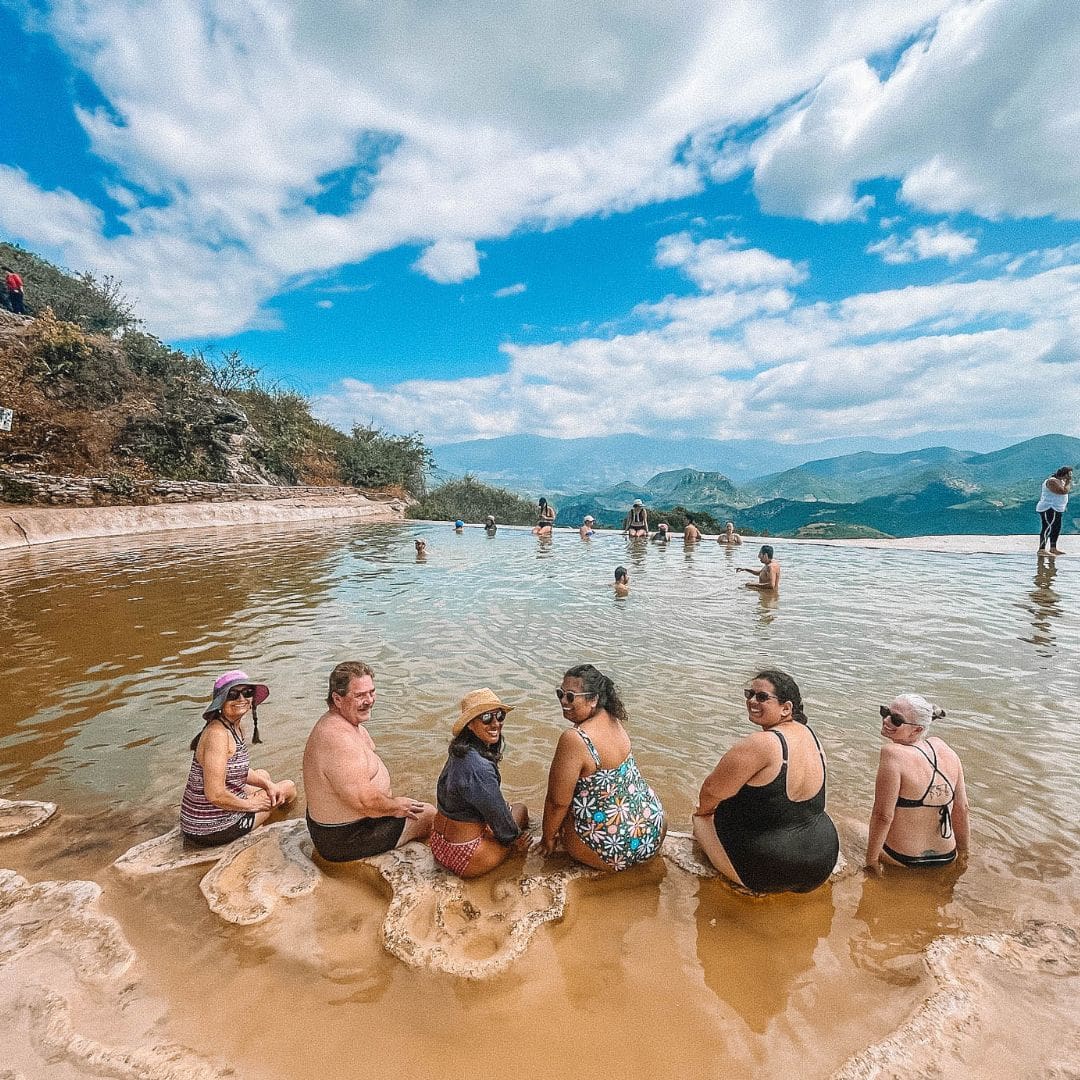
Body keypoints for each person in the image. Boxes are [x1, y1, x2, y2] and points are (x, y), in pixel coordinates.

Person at [692, 670, 838, 894]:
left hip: (770, 872)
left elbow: (711, 791)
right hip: (821, 863)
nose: (752, 701)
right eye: (749, 694)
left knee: (700, 818)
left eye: (761, 697)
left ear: (786, 708)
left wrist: (705, 814)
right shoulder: (810, 735)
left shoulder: (761, 743)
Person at [303, 661, 435, 862]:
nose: (370, 700)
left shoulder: (346, 723)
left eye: (372, 692)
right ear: (337, 699)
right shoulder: (338, 739)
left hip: (350, 824)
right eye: (360, 695)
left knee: (414, 806)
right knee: (427, 814)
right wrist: (395, 806)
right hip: (345, 838)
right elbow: (364, 802)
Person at [540, 664, 665, 871]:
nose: (563, 701)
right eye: (560, 694)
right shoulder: (612, 718)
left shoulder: (575, 738)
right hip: (653, 830)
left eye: (570, 696)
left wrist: (547, 838)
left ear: (594, 699)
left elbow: (557, 802)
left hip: (615, 850)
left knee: (564, 812)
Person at [180, 670, 296, 846]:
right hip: (211, 830)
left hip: (202, 820)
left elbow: (236, 769)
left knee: (263, 775)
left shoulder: (232, 726)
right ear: (221, 702)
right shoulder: (217, 734)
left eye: (247, 692)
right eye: (233, 694)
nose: (241, 699)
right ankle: (281, 827)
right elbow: (215, 794)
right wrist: (252, 805)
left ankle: (263, 817)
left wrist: (267, 785)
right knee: (288, 787)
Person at [430, 689, 531, 878]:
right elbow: (504, 827)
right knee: (521, 810)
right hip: (464, 857)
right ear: (470, 724)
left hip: (437, 845)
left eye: (499, 716)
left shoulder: (458, 752)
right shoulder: (480, 767)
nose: (495, 723)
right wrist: (516, 840)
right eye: (486, 717)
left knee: (504, 811)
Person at [866, 694, 969, 871]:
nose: (886, 720)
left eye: (896, 720)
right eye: (885, 712)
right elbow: (963, 808)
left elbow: (883, 815)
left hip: (904, 859)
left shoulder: (892, 753)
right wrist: (964, 853)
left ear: (917, 730)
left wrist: (871, 861)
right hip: (947, 856)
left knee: (850, 827)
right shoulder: (944, 749)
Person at [1036, 466, 1072, 556]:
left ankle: (1053, 548)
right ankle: (1041, 549)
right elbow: (1062, 491)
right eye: (1069, 473)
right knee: (1047, 527)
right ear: (1065, 473)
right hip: (1049, 507)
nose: (1071, 475)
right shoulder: (1052, 481)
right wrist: (1068, 482)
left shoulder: (1061, 481)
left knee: (1056, 528)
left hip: (1057, 508)